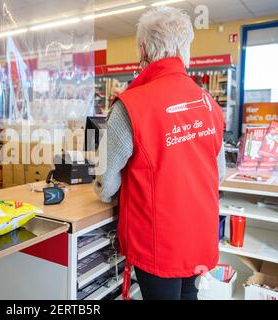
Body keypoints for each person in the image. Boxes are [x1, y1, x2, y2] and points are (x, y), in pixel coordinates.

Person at [94, 6, 226, 300]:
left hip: (158, 242)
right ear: (185, 50)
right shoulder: (208, 104)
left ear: (143, 49)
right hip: (200, 235)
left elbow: (105, 183)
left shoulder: (129, 107)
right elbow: (220, 173)